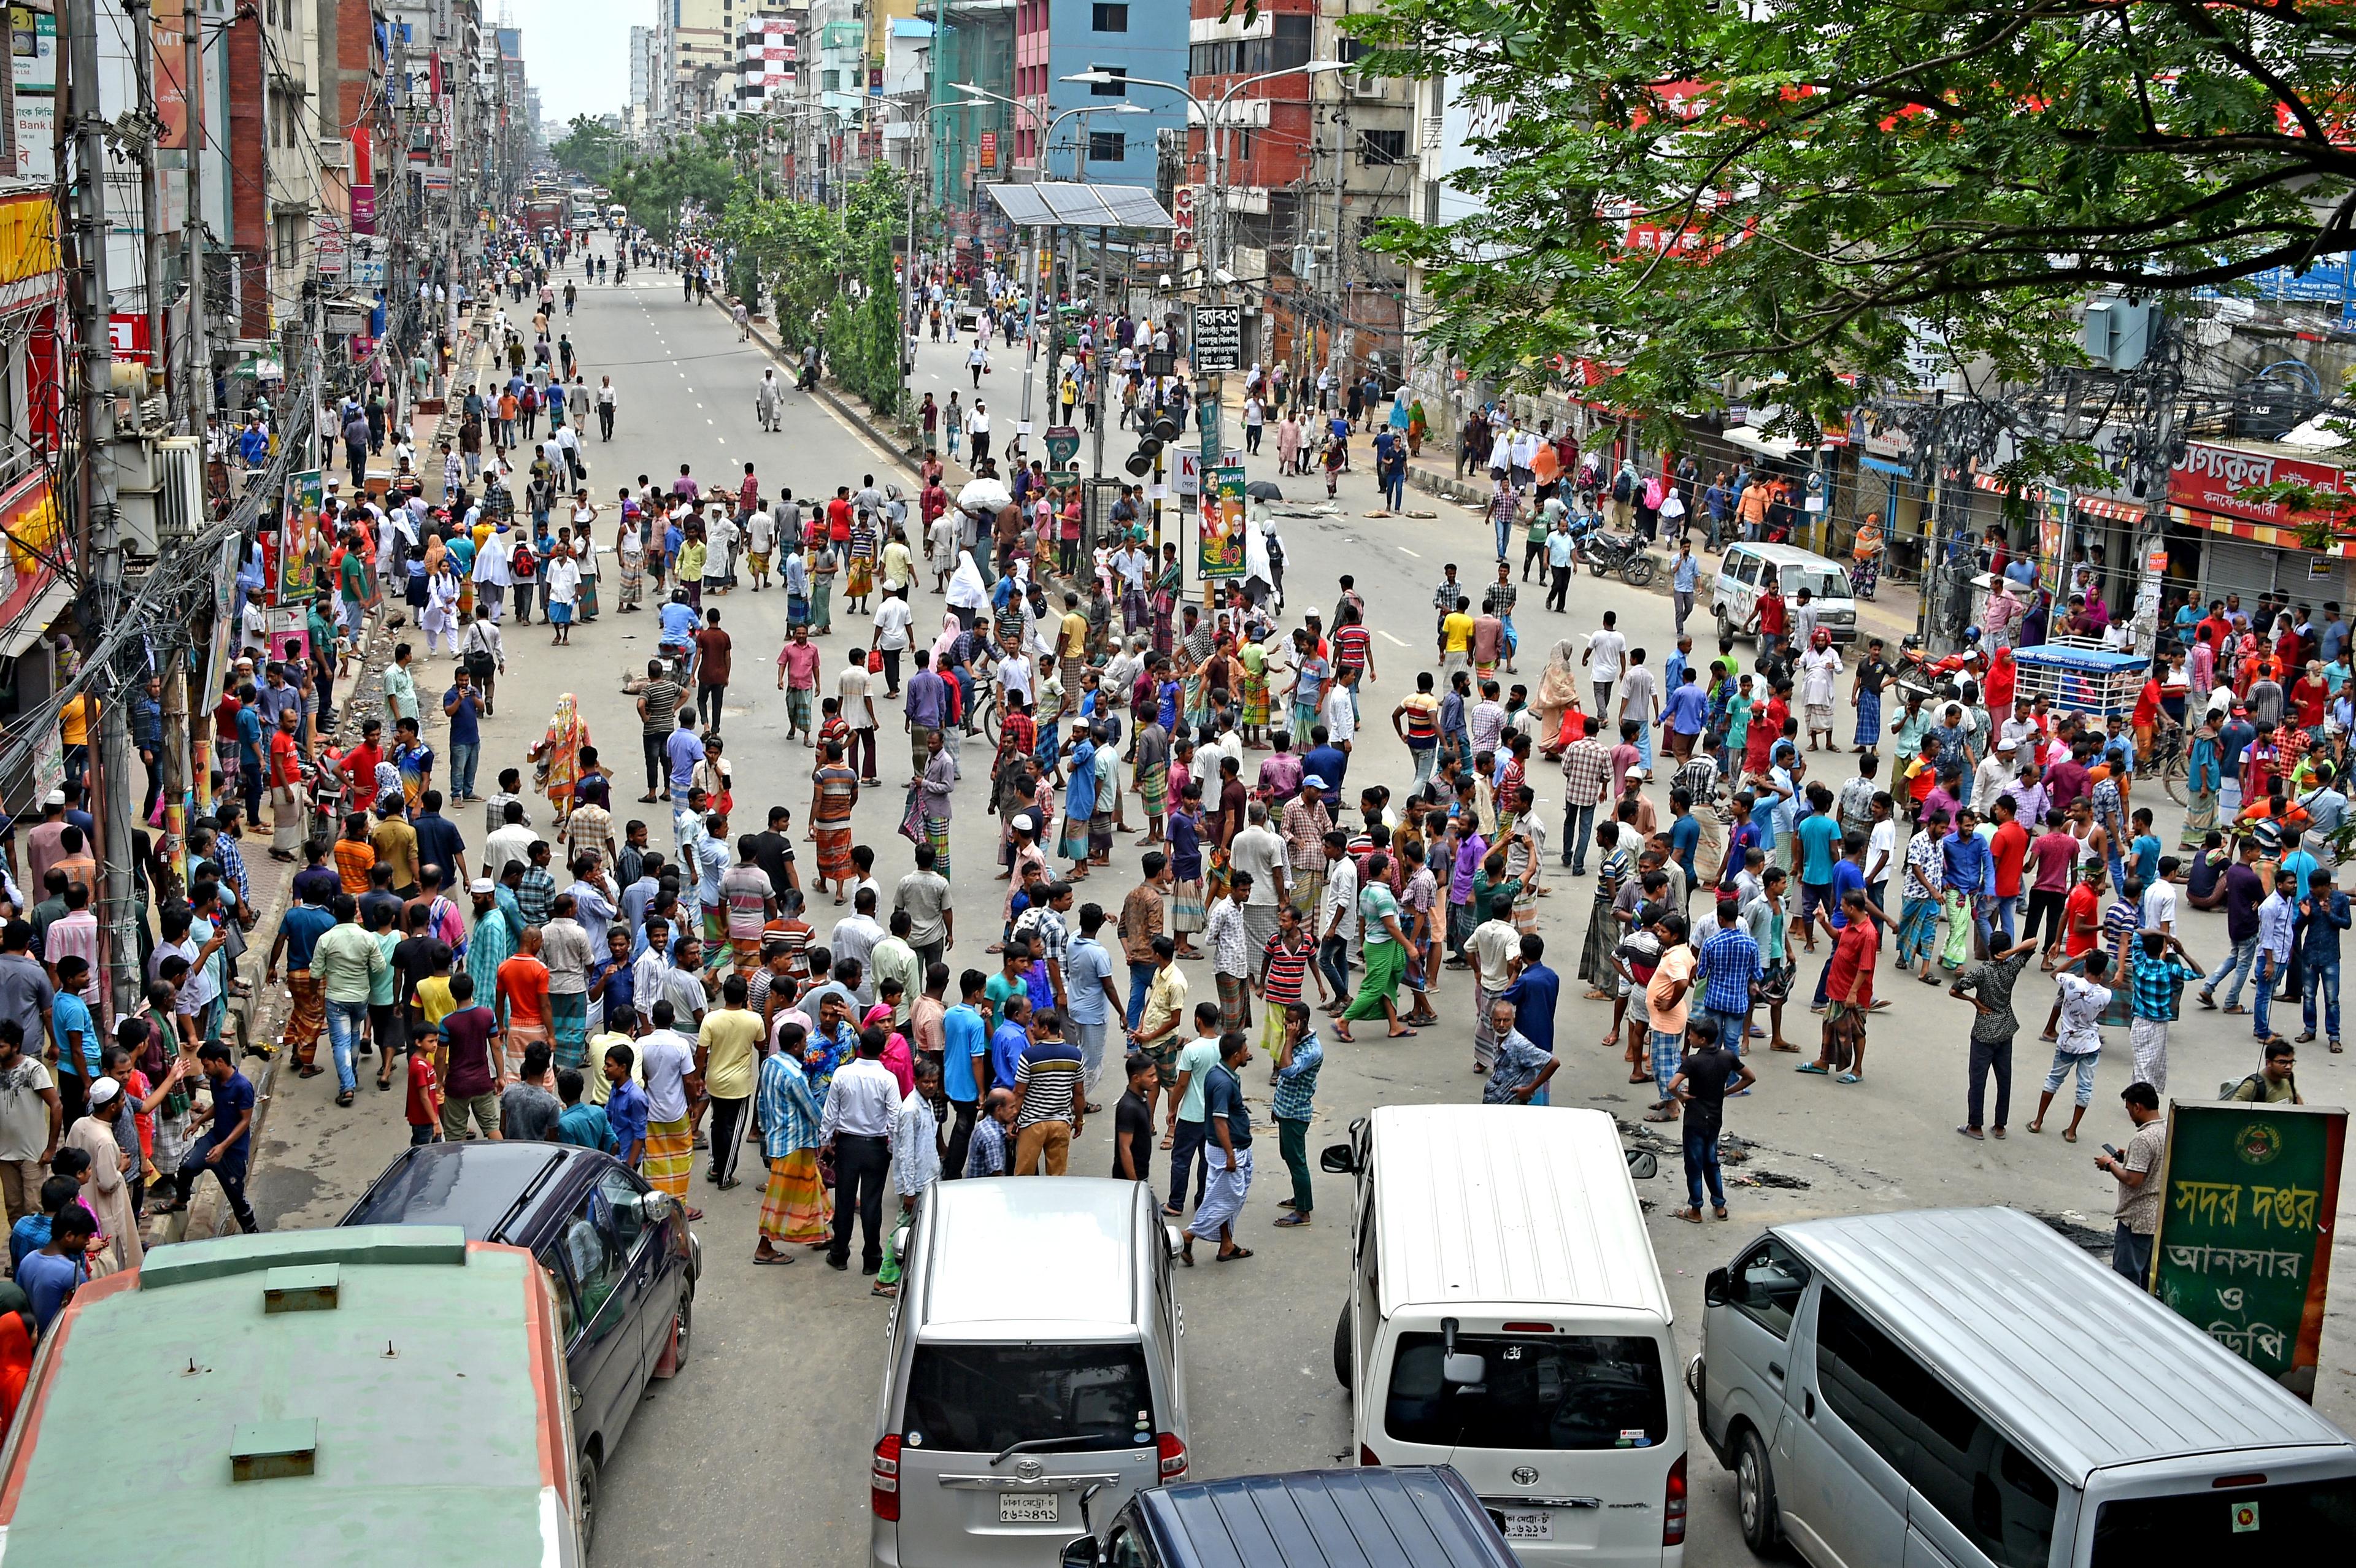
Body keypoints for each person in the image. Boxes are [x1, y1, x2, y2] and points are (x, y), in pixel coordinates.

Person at [820, 1028, 899, 1274]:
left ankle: (839, 1254)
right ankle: (872, 1258)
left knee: (844, 1201)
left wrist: (824, 1140)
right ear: (883, 1049)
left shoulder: (843, 1074)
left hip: (848, 1146)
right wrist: (893, 1148)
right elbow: (895, 1119)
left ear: (860, 1046)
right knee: (872, 1203)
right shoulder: (888, 1079)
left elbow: (830, 1112)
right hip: (876, 1147)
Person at [161, 1042, 258, 1232]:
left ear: (220, 1062)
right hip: (214, 1139)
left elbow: (245, 1121)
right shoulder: (215, 1082)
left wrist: (223, 1147)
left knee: (237, 1199)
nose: (204, 1071)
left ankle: (252, 1231)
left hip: (233, 1151)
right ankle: (181, 1200)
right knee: (186, 1167)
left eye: (207, 1065)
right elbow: (218, 1105)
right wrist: (199, 1122)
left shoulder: (243, 1087)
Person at [1950, 936, 2038, 1139]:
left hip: (1984, 1030)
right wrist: (2011, 953)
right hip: (2006, 1029)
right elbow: (2033, 942)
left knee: (1978, 1081)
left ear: (1989, 948)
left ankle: (1975, 1125)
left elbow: (1954, 990)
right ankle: (2000, 1126)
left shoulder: (1981, 971)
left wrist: (1975, 1002)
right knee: (2004, 1079)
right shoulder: (2012, 967)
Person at [1179, 1030, 1255, 1264]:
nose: (1248, 1054)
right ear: (1236, 1055)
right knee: (1229, 1199)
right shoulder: (1223, 1082)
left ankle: (1226, 1245)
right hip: (1228, 1150)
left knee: (1222, 1196)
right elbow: (1220, 1121)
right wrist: (1230, 1155)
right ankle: (1189, 1235)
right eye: (1245, 1051)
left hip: (1223, 1148)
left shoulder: (1220, 1073)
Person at [1668, 1015, 1754, 1222]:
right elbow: (1750, 1077)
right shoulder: (1727, 1057)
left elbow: (1672, 1085)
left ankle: (1695, 1210)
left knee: (1694, 1165)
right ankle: (1719, 1205)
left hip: (1695, 1120)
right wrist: (1726, 1092)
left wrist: (1681, 1096)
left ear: (1703, 1040)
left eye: (1692, 1035)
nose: (1689, 1038)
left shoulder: (1693, 1062)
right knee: (1711, 1161)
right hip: (1715, 1118)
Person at [2030, 950, 2112, 1140]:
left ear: (2085, 966)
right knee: (2085, 1088)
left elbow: (2054, 974)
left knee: (2053, 1080)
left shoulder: (2071, 982)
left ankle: (2038, 1121)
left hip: (2068, 1042)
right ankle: (2072, 1131)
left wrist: (2076, 958)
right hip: (2090, 1044)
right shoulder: (2106, 994)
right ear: (2103, 972)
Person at [2096, 1080, 2167, 1284]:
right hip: (2155, 1218)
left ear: (2138, 1107)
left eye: (2129, 1110)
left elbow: (2133, 1179)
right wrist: (2128, 1156)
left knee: (2125, 1278)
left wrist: (2109, 1165)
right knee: (2146, 1278)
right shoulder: (2165, 1130)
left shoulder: (2143, 1139)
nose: (2130, 1116)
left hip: (2135, 1219)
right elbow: (2155, 1161)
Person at [1268, 1002, 1322, 1228]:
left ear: (1302, 1023)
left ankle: (1303, 1211)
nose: (1286, 1025)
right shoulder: (1299, 1040)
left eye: (1290, 1022)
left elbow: (1287, 1070)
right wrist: (1277, 1108)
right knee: (1289, 1156)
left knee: (1297, 1161)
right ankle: (1300, 1197)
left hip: (1295, 1114)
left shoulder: (1312, 1050)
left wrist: (1289, 1039)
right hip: (1285, 1110)